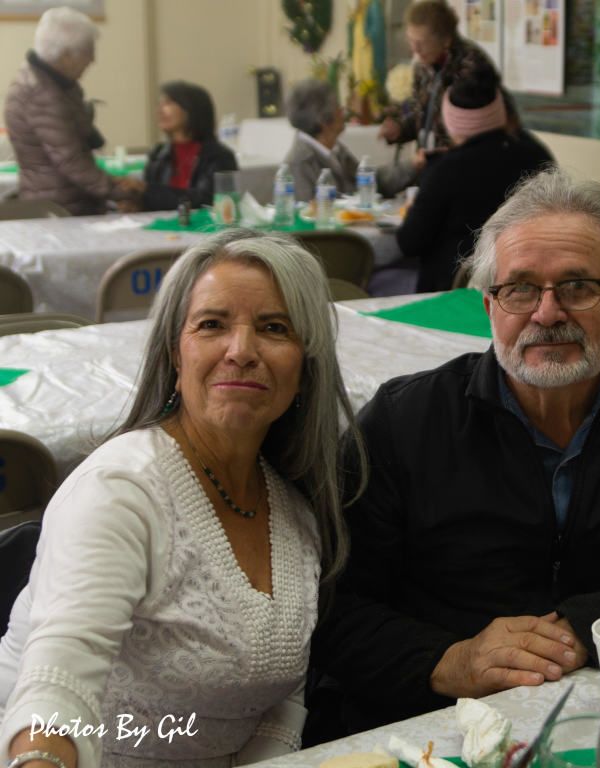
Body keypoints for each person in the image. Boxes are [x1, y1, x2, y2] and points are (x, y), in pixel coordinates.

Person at [311, 168, 600, 734]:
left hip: (597, 713)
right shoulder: (403, 420)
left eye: (578, 286)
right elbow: (330, 607)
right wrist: (449, 661)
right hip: (429, 724)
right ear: (490, 307)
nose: (547, 313)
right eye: (519, 288)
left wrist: (580, 628)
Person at [0, 230, 366, 767]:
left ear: (305, 366)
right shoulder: (120, 492)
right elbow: (57, 687)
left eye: (273, 328)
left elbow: (281, 699)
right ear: (176, 352)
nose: (241, 352)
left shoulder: (296, 509)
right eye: (212, 325)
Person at [396, 63, 553, 292]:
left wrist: (412, 208)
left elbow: (409, 243)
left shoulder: (445, 170)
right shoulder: (536, 156)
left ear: (451, 122)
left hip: (451, 294)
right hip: (526, 286)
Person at [3, 7, 142, 215]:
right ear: (66, 55)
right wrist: (122, 191)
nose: (92, 59)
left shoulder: (56, 83)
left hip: (63, 199)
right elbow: (70, 161)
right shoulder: (41, 94)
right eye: (88, 51)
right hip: (60, 209)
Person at [378, 1, 497, 155]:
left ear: (446, 40)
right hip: (431, 162)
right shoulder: (423, 65)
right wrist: (399, 129)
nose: (414, 49)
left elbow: (470, 127)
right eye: (411, 40)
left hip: (465, 162)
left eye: (421, 43)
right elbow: (420, 112)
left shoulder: (472, 65)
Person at [283, 79, 416, 203]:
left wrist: (413, 166)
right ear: (323, 120)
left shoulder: (334, 149)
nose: (343, 111)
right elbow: (309, 217)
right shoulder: (300, 163)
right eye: (337, 107)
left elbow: (370, 181)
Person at [142, 80, 238, 211]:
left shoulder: (220, 156)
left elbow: (207, 200)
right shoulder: (158, 154)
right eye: (160, 104)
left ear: (191, 109)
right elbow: (149, 199)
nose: (159, 110)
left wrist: (146, 190)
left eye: (168, 103)